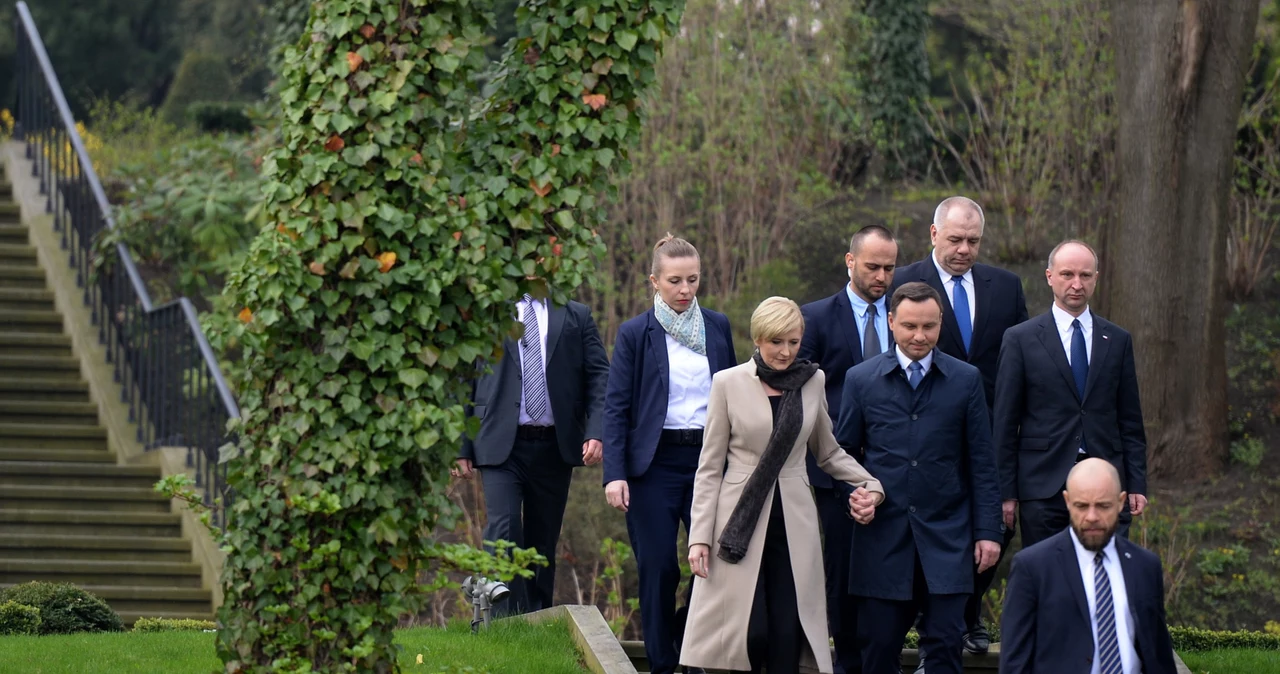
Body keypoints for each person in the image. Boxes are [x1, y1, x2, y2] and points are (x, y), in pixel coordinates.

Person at [680, 297, 885, 674]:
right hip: (737, 521)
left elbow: (828, 452)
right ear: (758, 339)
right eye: (777, 342)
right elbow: (708, 468)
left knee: (787, 636)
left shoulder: (813, 380)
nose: (786, 351)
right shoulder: (727, 383)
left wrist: (870, 483)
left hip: (794, 523)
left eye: (793, 342)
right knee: (746, 633)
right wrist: (699, 538)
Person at [834, 282, 1002, 674]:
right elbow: (841, 457)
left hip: (948, 539)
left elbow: (982, 462)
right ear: (891, 322)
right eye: (909, 326)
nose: (919, 336)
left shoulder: (966, 379)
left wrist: (988, 532)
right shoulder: (861, 379)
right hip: (881, 541)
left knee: (945, 648)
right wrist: (852, 496)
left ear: (941, 323)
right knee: (877, 651)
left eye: (929, 326)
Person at [890, 196, 1027, 659]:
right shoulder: (907, 282)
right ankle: (941, 616)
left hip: (992, 430)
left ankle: (964, 611)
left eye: (973, 240)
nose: (965, 249)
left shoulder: (1005, 288)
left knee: (997, 526)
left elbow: (1020, 361)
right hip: (926, 432)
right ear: (933, 234)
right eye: (955, 239)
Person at [603, 234, 737, 674]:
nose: (685, 289)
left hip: (708, 461)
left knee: (712, 565)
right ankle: (662, 664)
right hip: (652, 467)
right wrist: (614, 473)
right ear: (654, 282)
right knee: (660, 567)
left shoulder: (717, 326)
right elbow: (616, 406)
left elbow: (734, 395)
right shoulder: (635, 333)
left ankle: (689, 646)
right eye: (675, 281)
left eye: (693, 280)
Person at [454, 292, 610, 614]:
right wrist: (460, 445)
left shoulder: (575, 314)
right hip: (498, 442)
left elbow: (599, 376)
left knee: (543, 541)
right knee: (504, 530)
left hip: (555, 444)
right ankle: (503, 621)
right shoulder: (487, 311)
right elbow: (461, 379)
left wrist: (596, 430)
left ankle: (537, 618)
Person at [993, 240, 1148, 550]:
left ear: (1096, 278)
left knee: (1105, 578)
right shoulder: (1021, 339)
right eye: (1067, 274)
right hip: (1043, 485)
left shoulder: (1116, 340)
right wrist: (1006, 492)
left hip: (1107, 484)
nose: (1077, 284)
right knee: (1050, 583)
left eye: (1085, 276)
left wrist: (1136, 483)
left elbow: (1129, 418)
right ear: (1050, 276)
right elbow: (1005, 422)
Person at [798, 224, 898, 674]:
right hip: (830, 462)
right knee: (840, 565)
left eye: (889, 267)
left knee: (889, 567)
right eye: (873, 266)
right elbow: (800, 392)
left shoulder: (906, 317)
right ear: (850, 261)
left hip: (893, 461)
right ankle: (846, 662)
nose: (881, 276)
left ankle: (885, 657)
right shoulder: (815, 318)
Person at [999, 458, 1177, 674]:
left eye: (1103, 505)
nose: (1092, 517)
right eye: (1082, 506)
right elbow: (1014, 665)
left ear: (1121, 502)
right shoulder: (1033, 568)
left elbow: (1159, 657)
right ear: (1067, 501)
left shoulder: (1145, 566)